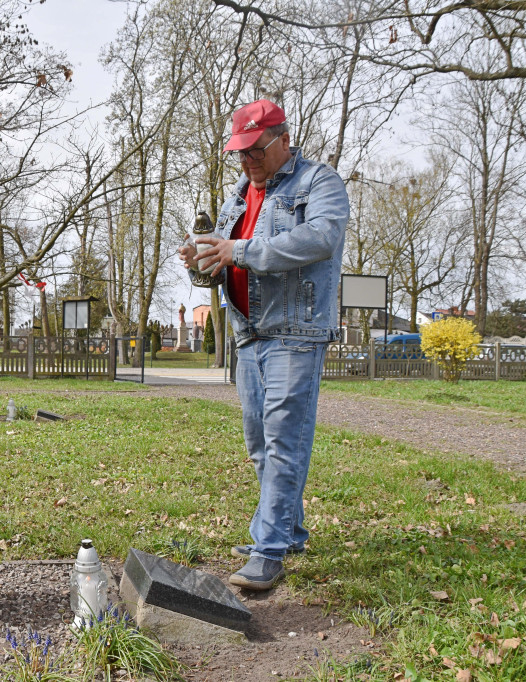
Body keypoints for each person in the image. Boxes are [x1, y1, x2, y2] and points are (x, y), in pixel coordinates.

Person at [179, 99, 349, 590]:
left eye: (256, 150)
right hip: (248, 337)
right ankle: (289, 530)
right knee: (260, 443)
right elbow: (221, 267)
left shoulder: (319, 182)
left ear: (283, 140)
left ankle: (268, 549)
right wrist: (202, 260)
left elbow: (320, 238)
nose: (247, 161)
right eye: (240, 153)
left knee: (283, 439)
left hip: (296, 332)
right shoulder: (236, 198)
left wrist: (241, 250)